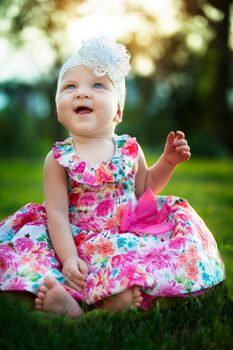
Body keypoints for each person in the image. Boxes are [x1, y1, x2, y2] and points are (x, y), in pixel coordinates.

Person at [0, 37, 224, 318]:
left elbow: (145, 188)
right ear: (58, 109)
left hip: (122, 237)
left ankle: (110, 298)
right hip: (73, 239)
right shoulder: (58, 158)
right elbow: (56, 212)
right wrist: (69, 258)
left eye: (98, 85)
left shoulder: (129, 149)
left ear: (118, 109)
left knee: (138, 258)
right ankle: (67, 299)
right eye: (70, 86)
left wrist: (167, 163)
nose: (81, 93)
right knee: (35, 259)